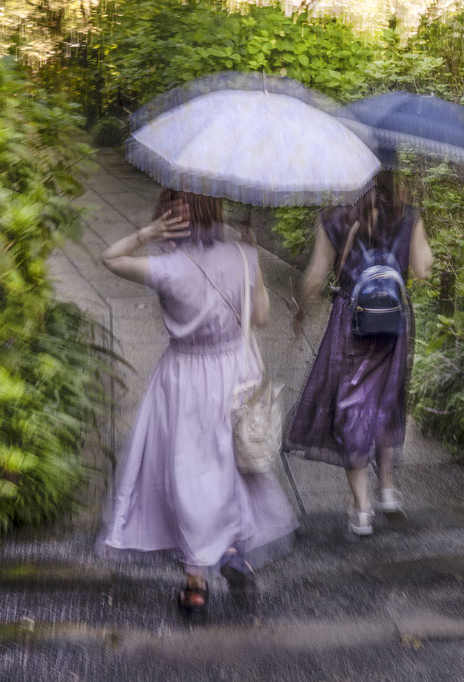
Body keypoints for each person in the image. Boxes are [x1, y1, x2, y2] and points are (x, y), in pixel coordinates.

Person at [99, 189, 298, 618]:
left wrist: (145, 233)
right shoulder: (241, 255)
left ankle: (196, 581)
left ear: (171, 221)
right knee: (232, 468)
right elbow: (260, 318)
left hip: (185, 379)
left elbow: (110, 258)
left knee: (190, 475)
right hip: (236, 375)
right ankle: (229, 546)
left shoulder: (168, 268)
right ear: (216, 214)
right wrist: (252, 258)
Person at [286, 171, 433, 536]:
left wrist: (300, 309)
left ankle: (362, 509)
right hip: (394, 324)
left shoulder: (335, 217)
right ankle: (388, 492)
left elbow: (315, 278)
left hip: (351, 321)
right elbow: (423, 270)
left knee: (352, 405)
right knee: (385, 400)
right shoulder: (409, 215)